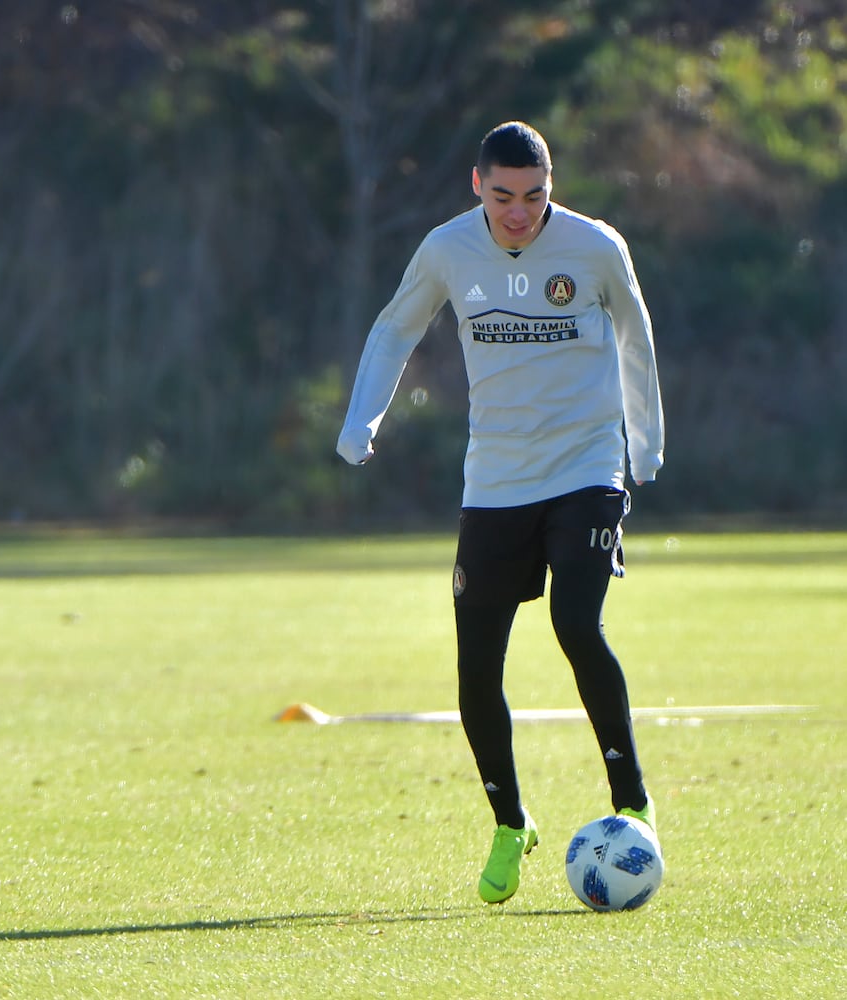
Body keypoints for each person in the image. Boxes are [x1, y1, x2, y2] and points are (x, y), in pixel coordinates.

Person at [335, 122, 664, 904]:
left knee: (577, 625)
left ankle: (632, 803)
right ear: (477, 186)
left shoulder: (594, 248)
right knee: (475, 668)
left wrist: (644, 444)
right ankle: (511, 822)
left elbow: (635, 337)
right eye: (505, 196)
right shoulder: (449, 249)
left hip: (587, 466)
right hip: (495, 481)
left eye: (536, 196)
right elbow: (395, 328)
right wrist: (361, 419)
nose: (520, 213)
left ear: (553, 187)